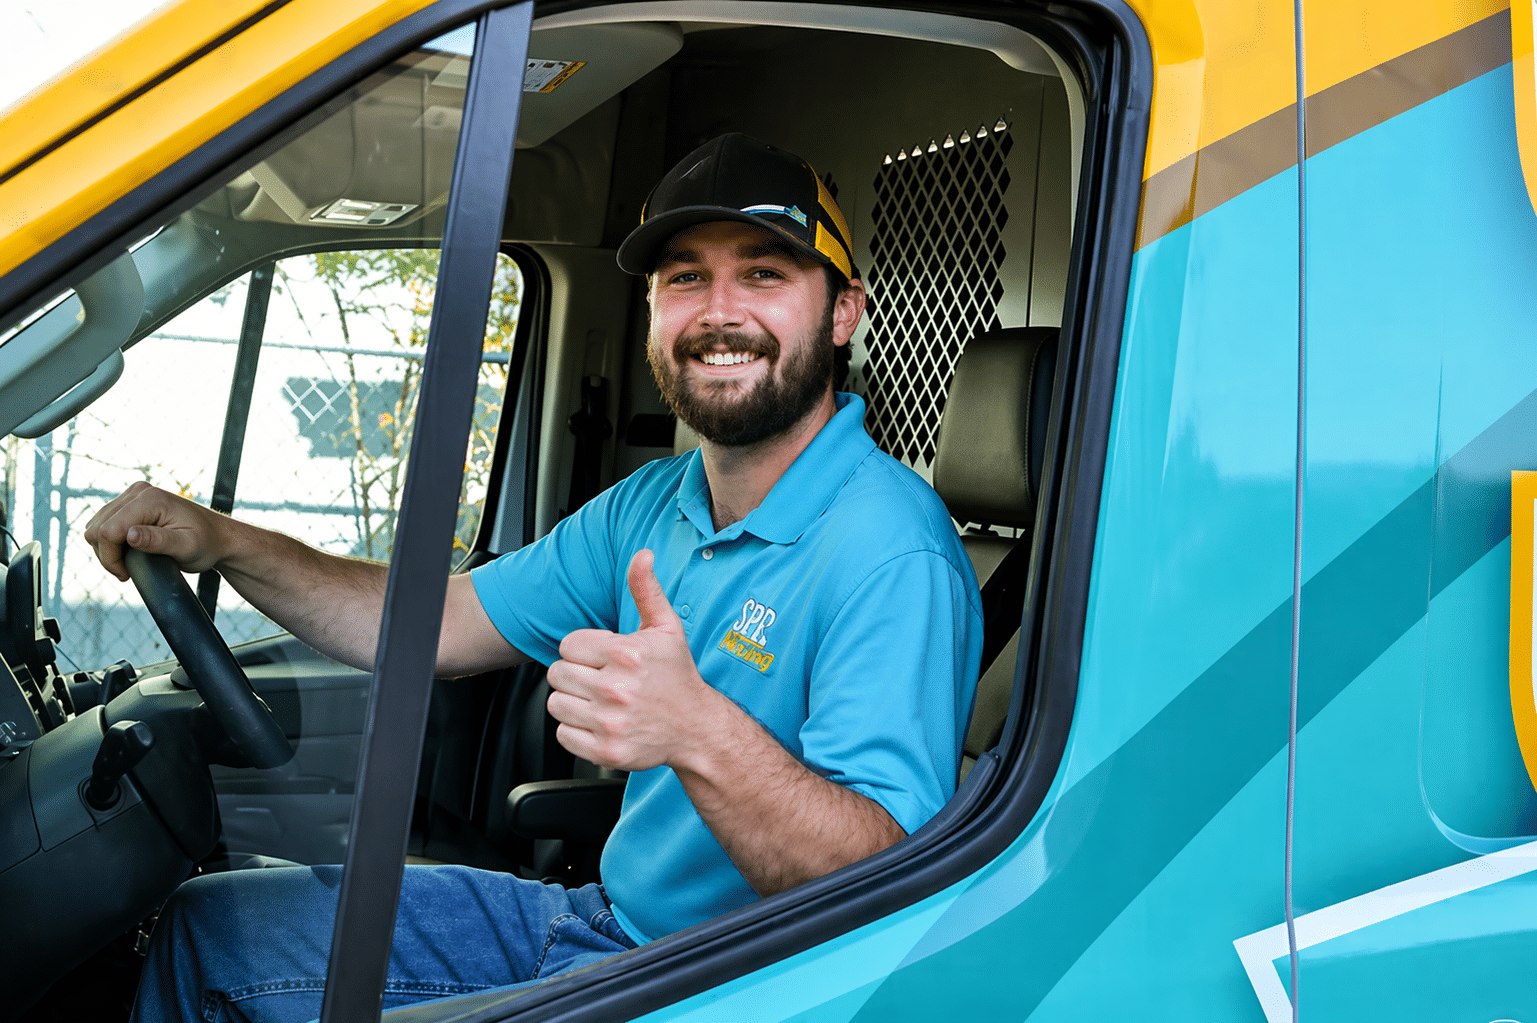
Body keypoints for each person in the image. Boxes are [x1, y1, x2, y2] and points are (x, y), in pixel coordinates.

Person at [85, 133, 983, 1022]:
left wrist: (693, 728)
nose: (719, 311)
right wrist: (227, 542)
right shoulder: (656, 501)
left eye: (763, 273)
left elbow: (883, 883)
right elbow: (440, 624)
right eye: (684, 277)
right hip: (610, 925)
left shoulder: (890, 549)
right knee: (215, 927)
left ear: (842, 312)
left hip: (734, 982)